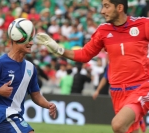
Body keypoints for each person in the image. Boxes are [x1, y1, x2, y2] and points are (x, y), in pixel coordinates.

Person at [35, 0, 149, 133]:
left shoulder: (143, 24)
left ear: (119, 7)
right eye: (102, 6)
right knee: (128, 130)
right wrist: (58, 50)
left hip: (141, 87)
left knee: (118, 125)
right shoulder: (103, 31)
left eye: (106, 6)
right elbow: (85, 54)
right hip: (117, 92)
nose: (102, 11)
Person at [0, 19, 57, 133]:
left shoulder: (30, 68)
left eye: (31, 39)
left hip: (17, 115)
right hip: (4, 116)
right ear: (16, 39)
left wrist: (48, 105)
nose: (31, 43)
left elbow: (36, 95)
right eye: (28, 39)